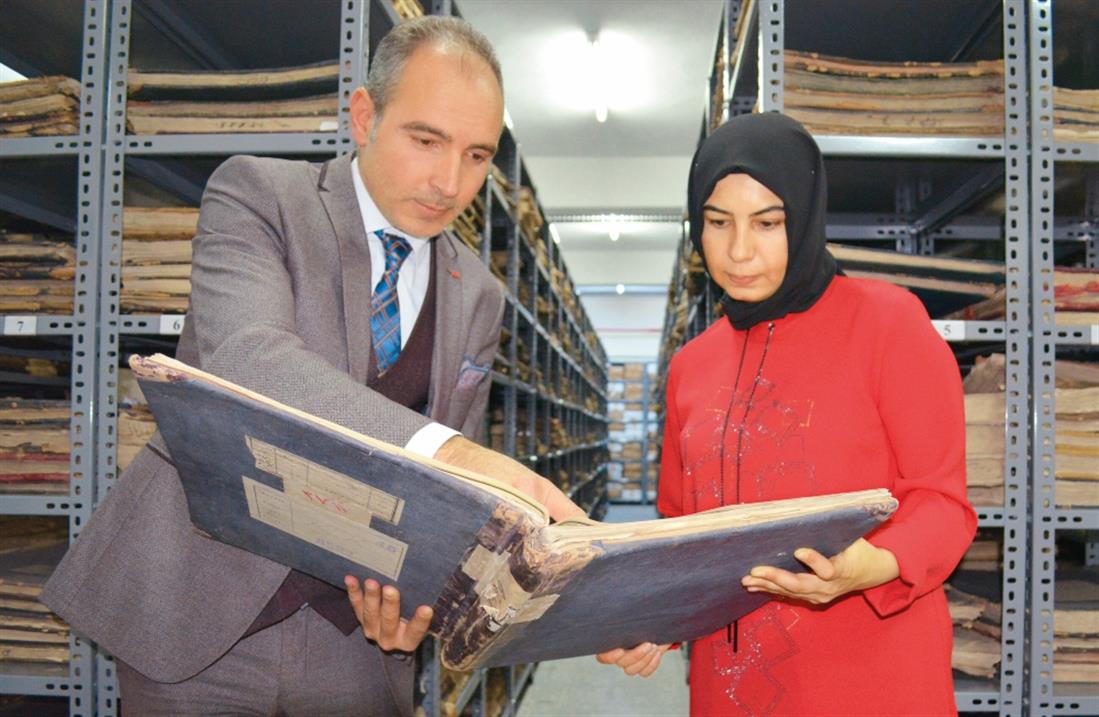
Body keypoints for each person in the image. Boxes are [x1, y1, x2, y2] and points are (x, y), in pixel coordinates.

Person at [42, 16, 582, 716]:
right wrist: (459, 455)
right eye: (426, 140)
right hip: (201, 608)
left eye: (476, 155)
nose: (449, 182)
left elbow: (448, 506)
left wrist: (424, 604)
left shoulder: (479, 293)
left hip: (357, 638)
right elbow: (248, 359)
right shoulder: (259, 196)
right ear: (364, 117)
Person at [598, 112, 976, 715]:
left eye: (767, 223)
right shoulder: (691, 366)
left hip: (867, 679)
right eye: (718, 222)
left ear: (802, 217)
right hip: (728, 686)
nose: (739, 251)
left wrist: (871, 564)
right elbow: (682, 533)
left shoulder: (888, 325)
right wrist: (654, 621)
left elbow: (943, 505)